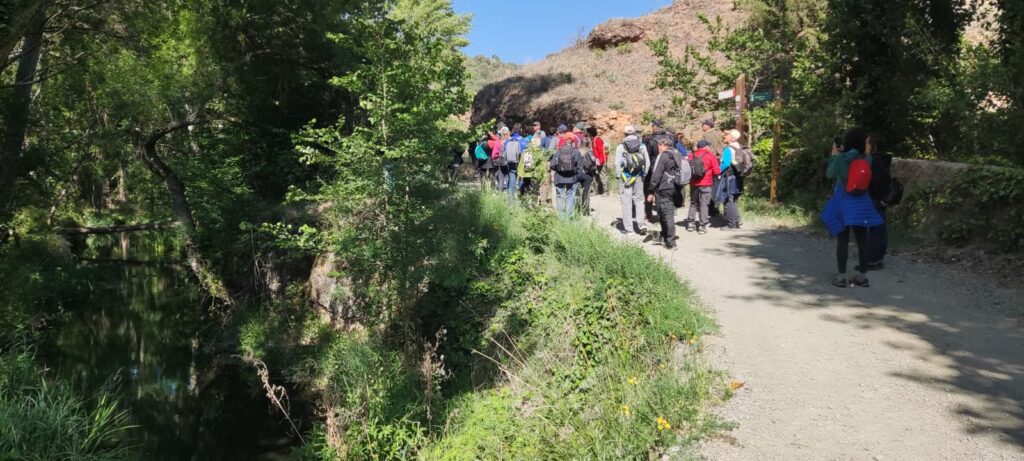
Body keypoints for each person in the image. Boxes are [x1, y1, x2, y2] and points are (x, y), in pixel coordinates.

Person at [822, 127, 884, 288]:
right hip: (862, 200)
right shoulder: (867, 159)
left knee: (843, 239)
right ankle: (862, 276)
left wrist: (834, 156)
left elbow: (830, 174)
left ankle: (842, 276)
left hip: (843, 198)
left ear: (847, 142)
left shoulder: (841, 158)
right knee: (862, 239)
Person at [648, 137, 682, 249]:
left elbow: (656, 174)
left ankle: (671, 242)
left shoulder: (663, 156)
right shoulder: (677, 154)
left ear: (662, 145)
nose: (658, 148)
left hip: (664, 188)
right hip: (676, 188)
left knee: (667, 214)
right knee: (664, 212)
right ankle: (664, 235)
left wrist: (651, 190)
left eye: (659, 145)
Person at [616, 126, 650, 236]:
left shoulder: (621, 147)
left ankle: (629, 229)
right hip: (639, 176)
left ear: (624, 134)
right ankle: (641, 224)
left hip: (625, 178)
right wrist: (644, 174)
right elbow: (647, 162)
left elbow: (617, 163)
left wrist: (618, 176)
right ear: (635, 133)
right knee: (639, 200)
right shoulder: (642, 145)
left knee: (626, 203)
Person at [866, 133, 893, 270]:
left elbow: (876, 182)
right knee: (880, 229)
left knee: (875, 230)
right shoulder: (884, 159)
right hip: (881, 198)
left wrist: (878, 198)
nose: (865, 145)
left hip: (875, 198)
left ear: (872, 145)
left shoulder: (875, 161)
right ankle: (877, 259)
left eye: (867, 143)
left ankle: (872, 260)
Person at [686, 140, 721, 234]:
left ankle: (690, 223)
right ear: (705, 147)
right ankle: (702, 226)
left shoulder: (691, 156)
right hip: (706, 184)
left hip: (693, 184)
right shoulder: (710, 156)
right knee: (704, 204)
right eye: (708, 146)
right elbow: (717, 171)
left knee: (693, 203)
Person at [551, 131, 583, 220]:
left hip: (559, 178)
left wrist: (559, 169)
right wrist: (578, 178)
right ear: (573, 141)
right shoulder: (576, 152)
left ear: (564, 140)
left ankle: (561, 218)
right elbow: (580, 167)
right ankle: (568, 218)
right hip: (572, 179)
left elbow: (552, 165)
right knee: (570, 197)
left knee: (560, 197)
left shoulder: (558, 151)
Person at [717, 129, 744, 229]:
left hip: (729, 177)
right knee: (734, 199)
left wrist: (717, 171)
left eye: (727, 135)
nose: (724, 136)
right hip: (738, 176)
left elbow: (725, 164)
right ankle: (736, 220)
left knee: (728, 200)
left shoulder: (728, 149)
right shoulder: (739, 147)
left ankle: (731, 224)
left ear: (731, 137)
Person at [503, 124, 525, 202]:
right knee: (522, 180)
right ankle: (521, 199)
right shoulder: (523, 140)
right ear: (520, 130)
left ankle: (511, 201)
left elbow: (504, 152)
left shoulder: (508, 140)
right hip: (521, 163)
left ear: (512, 130)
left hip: (511, 162)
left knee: (512, 180)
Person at [577, 138, 598, 216]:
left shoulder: (577, 152)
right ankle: (585, 211)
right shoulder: (590, 152)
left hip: (578, 174)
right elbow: (594, 162)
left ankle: (578, 210)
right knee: (586, 193)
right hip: (588, 174)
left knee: (578, 193)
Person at [587, 126, 607, 195]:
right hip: (596, 161)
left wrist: (600, 161)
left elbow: (602, 151)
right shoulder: (593, 140)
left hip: (601, 161)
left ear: (590, 133)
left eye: (588, 133)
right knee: (595, 176)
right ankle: (596, 191)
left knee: (602, 176)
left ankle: (605, 191)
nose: (587, 135)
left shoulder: (597, 140)